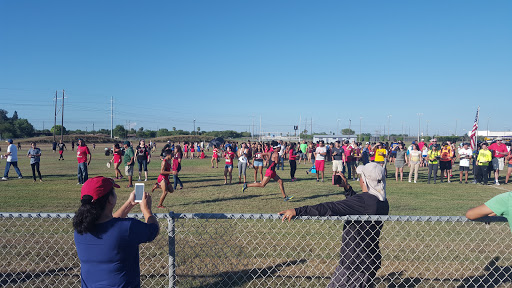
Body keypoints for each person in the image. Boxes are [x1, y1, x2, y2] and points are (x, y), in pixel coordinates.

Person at [279, 163, 389, 287]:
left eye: (361, 176)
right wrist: (347, 188)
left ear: (365, 180)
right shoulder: (382, 201)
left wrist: (298, 211)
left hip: (355, 263)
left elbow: (331, 207)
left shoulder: (363, 201)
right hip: (369, 258)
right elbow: (361, 209)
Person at [73, 176, 159, 287]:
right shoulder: (127, 228)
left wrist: (130, 203)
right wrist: (146, 210)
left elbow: (110, 223)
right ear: (110, 199)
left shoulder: (80, 230)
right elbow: (153, 230)